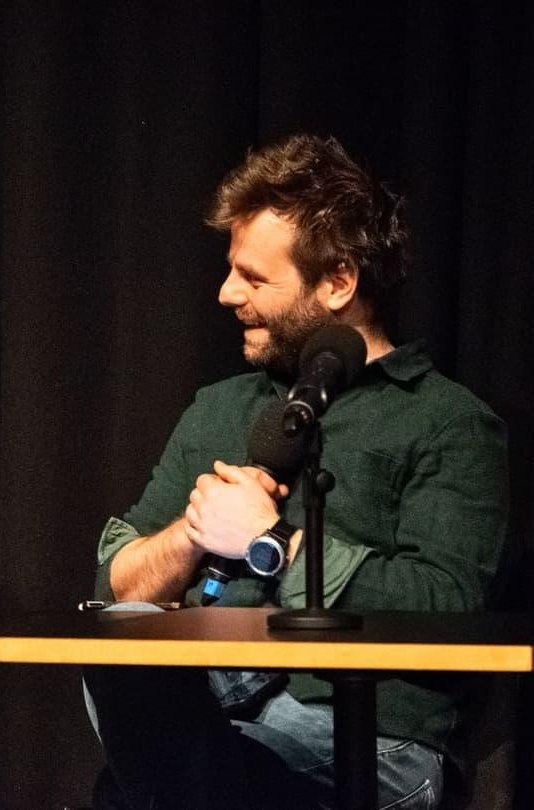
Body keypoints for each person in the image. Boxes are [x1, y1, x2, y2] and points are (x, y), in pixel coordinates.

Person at [84, 134, 509, 809]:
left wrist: (275, 542)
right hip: (213, 713)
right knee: (125, 636)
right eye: (231, 270)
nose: (226, 294)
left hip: (369, 740)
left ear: (338, 281)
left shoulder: (445, 421)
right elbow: (115, 583)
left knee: (164, 786)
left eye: (253, 278)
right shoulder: (219, 408)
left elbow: (447, 604)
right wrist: (193, 533)